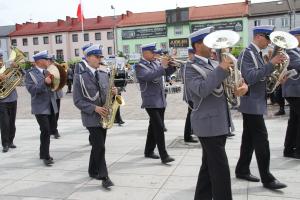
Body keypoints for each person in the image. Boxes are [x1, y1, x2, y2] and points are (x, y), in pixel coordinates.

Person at [184, 27, 248, 200]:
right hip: (207, 125)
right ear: (198, 45)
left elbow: (230, 86)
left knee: (208, 167)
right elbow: (202, 90)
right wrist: (221, 68)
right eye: (208, 41)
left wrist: (241, 88)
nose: (213, 45)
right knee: (220, 170)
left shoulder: (213, 63)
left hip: (220, 122)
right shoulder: (190, 67)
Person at [235, 25, 287, 190]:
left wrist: (277, 78)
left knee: (249, 139)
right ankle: (268, 178)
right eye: (268, 38)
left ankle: (242, 169)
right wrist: (271, 64)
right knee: (262, 141)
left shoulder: (256, 54)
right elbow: (249, 77)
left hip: (256, 102)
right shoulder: (247, 53)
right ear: (258, 36)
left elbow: (260, 76)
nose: (270, 42)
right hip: (251, 103)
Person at [73, 44, 115, 189]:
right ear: (88, 58)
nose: (99, 59)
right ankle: (104, 176)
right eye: (96, 57)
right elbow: (77, 101)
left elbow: (107, 94)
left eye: (100, 57)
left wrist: (114, 92)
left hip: (105, 116)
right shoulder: (80, 77)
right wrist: (94, 108)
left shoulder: (103, 74)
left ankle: (92, 170)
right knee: (100, 146)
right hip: (91, 117)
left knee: (98, 146)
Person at [135, 43, 176, 164]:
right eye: (152, 52)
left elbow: (165, 73)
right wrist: (162, 66)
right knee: (159, 127)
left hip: (160, 99)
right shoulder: (139, 66)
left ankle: (148, 151)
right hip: (150, 101)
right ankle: (164, 155)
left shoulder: (155, 63)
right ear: (145, 53)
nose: (155, 55)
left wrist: (171, 66)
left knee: (153, 127)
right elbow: (149, 76)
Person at [25, 50, 57, 166]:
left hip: (50, 105)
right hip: (40, 107)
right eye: (46, 59)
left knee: (47, 131)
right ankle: (46, 156)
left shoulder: (47, 71)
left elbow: (53, 87)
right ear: (39, 61)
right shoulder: (30, 74)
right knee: (45, 130)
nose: (48, 61)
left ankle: (42, 153)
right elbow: (32, 90)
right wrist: (44, 82)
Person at [282, 27, 300, 159]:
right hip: (293, 90)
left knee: (294, 121)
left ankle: (289, 149)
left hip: (296, 91)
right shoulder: (289, 51)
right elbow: (297, 65)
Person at [0, 51, 18, 153]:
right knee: (4, 123)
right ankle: (5, 144)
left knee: (12, 122)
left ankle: (11, 141)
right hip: (2, 100)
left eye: (1, 59)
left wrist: (17, 67)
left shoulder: (8, 68)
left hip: (13, 98)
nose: (0, 61)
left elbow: (21, 75)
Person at [182, 47, 198, 143]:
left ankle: (190, 133)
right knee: (191, 114)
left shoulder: (190, 63)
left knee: (192, 114)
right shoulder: (187, 64)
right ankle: (187, 136)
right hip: (190, 94)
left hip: (192, 94)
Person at [48, 56, 63, 139]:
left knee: (56, 112)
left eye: (53, 61)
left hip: (57, 93)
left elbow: (63, 78)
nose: (53, 62)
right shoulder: (46, 70)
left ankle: (53, 129)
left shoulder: (57, 69)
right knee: (53, 112)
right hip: (50, 94)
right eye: (51, 61)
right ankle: (54, 130)